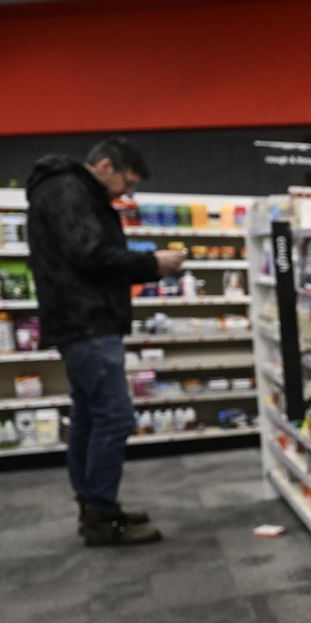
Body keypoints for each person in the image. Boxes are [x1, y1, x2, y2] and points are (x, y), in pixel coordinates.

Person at [25, 138, 186, 546]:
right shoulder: (67, 189)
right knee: (115, 417)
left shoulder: (68, 189)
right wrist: (153, 264)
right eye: (126, 183)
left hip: (83, 319)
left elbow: (89, 254)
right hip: (87, 321)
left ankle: (95, 506)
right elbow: (90, 254)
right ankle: (99, 514)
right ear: (106, 166)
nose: (126, 194)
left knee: (90, 416)